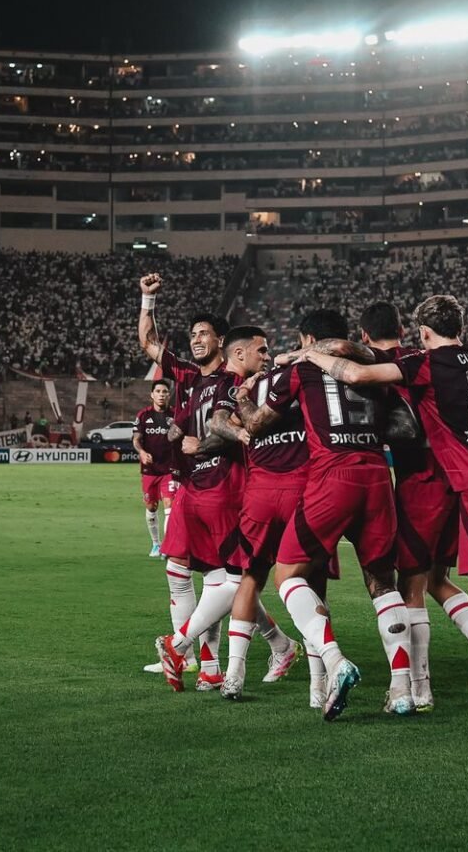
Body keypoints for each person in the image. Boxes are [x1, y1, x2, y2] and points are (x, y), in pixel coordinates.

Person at [299, 294, 468, 732]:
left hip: (464, 478)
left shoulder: (422, 364)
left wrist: (308, 353)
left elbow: (356, 370)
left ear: (424, 333)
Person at [233, 308, 416, 721]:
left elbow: (258, 425)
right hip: (376, 476)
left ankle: (334, 661)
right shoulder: (373, 365)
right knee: (383, 584)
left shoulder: (301, 371)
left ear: (306, 341)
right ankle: (402, 689)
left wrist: (243, 397)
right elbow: (403, 426)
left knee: (286, 575)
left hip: (332, 476)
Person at [357, 300, 468, 713]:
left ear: (364, 335)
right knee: (438, 579)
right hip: (456, 474)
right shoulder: (429, 356)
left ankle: (419, 690)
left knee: (409, 586)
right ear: (405, 329)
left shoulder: (376, 363)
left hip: (420, 479)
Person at [155, 326, 299, 693]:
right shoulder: (211, 386)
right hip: (202, 487)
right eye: (260, 351)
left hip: (235, 489)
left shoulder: (241, 386)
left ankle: (186, 648)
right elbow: (190, 429)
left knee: (231, 580)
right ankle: (236, 658)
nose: (265, 357)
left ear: (224, 345)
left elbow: (224, 426)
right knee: (226, 580)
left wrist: (203, 443)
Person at [136, 273, 228, 686]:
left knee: (219, 578)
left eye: (204, 333)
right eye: (193, 334)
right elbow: (148, 344)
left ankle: (191, 654)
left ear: (221, 341)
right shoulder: (190, 377)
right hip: (192, 486)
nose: (195, 339)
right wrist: (147, 301)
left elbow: (236, 429)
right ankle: (200, 664)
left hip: (222, 486)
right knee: (179, 569)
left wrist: (202, 444)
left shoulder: (232, 379)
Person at [133, 380, 175, 557]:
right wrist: (141, 452)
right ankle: (156, 544)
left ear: (168, 395)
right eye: (158, 391)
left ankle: (166, 547)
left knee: (169, 508)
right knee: (151, 507)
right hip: (149, 470)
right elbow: (136, 439)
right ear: (152, 395)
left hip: (170, 470)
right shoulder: (143, 415)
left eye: (165, 391)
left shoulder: (175, 415)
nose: (161, 394)